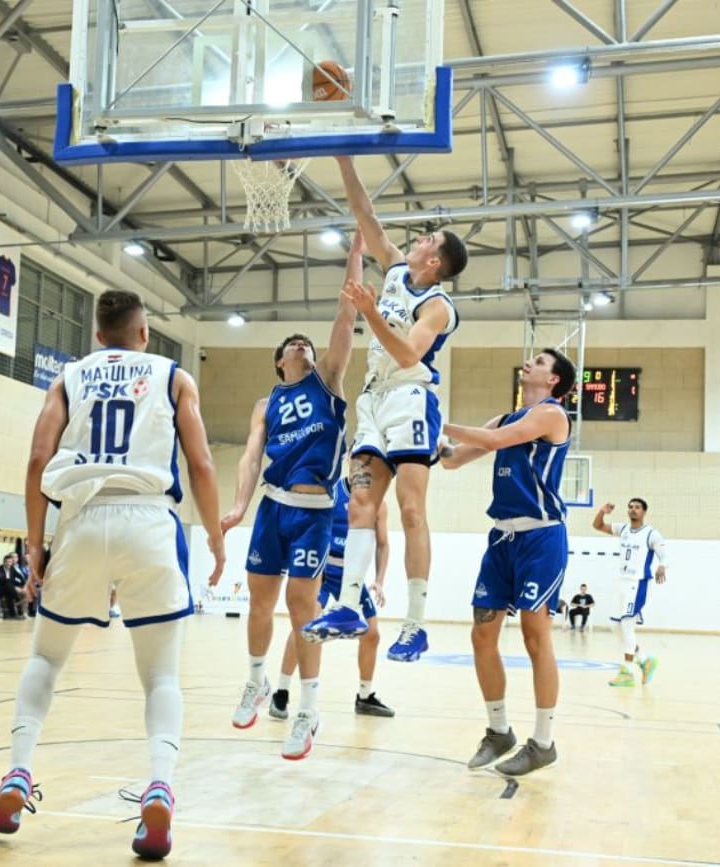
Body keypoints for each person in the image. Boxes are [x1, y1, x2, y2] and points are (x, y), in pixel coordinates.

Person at [0, 289, 225, 862]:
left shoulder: (69, 378)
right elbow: (201, 465)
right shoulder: (174, 377)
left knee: (45, 659)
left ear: (97, 335)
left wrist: (36, 546)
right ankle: (159, 785)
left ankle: (17, 775)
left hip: (83, 516)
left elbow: (38, 462)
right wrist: (214, 535)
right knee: (162, 675)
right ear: (144, 333)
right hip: (150, 520)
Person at [302, 155, 469, 664]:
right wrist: (344, 158)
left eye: (426, 241)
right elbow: (364, 214)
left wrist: (371, 313)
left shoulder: (437, 305)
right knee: (359, 507)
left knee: (412, 509)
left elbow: (407, 353)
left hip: (410, 399)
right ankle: (351, 606)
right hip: (373, 399)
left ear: (435, 261)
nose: (416, 241)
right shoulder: (395, 269)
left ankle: (415, 625)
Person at [220, 234, 357, 760]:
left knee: (305, 609)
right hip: (273, 507)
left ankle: (308, 709)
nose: (301, 345)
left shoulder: (328, 382)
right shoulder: (267, 402)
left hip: (316, 512)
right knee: (260, 602)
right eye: (292, 344)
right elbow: (251, 456)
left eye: (307, 343)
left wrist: (353, 259)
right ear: (279, 361)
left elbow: (343, 324)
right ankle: (255, 682)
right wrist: (238, 505)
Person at [438, 349, 576, 777]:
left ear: (554, 380)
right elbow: (453, 460)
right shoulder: (505, 417)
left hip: (542, 536)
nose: (529, 362)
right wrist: (421, 438)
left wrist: (434, 416)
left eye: (539, 361)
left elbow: (495, 442)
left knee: (537, 637)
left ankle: (543, 743)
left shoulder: (552, 415)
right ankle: (499, 732)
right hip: (502, 537)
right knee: (482, 635)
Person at [271, 460, 394, 720]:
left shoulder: (378, 502)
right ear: (349, 462)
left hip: (352, 575)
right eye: (358, 461)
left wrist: (379, 580)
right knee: (305, 628)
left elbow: (383, 544)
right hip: (324, 569)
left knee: (372, 635)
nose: (363, 468)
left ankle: (365, 696)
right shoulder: (329, 492)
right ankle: (281, 691)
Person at [592, 498, 667, 687]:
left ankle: (626, 672)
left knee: (626, 625)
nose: (633, 510)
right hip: (622, 582)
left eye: (637, 508)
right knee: (615, 627)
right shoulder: (623, 529)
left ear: (644, 512)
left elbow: (663, 553)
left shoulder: (651, 533)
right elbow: (598, 526)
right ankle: (644, 660)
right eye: (631, 507)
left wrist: (662, 566)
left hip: (638, 583)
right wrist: (602, 511)